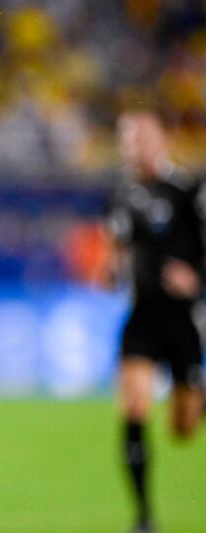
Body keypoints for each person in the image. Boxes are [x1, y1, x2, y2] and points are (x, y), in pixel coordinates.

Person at [107, 111, 206, 533]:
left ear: (160, 140)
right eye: (127, 140)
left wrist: (196, 276)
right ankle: (144, 517)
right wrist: (113, 269)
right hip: (143, 315)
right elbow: (120, 248)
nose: (134, 148)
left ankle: (198, 398)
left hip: (183, 321)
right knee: (134, 406)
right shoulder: (121, 195)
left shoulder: (188, 190)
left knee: (183, 429)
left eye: (140, 139)